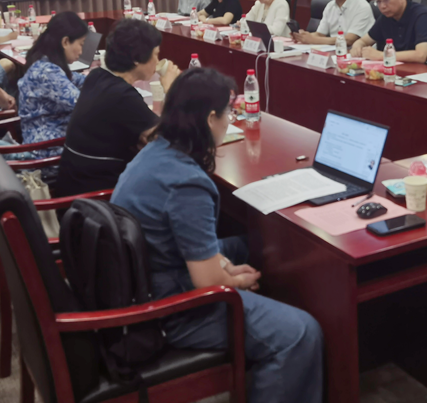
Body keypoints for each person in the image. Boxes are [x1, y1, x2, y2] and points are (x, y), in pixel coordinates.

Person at [111, 68, 323, 403]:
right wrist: (235, 279)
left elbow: (195, 245)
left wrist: (224, 265)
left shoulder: (154, 150)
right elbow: (207, 282)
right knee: (300, 332)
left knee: (253, 245)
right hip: (169, 309)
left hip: (146, 275)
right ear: (211, 119)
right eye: (228, 113)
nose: (229, 121)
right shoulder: (186, 183)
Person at [55, 19, 180, 196]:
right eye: (155, 55)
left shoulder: (97, 76)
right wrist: (171, 90)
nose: (157, 61)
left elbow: (144, 135)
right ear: (136, 58)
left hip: (74, 186)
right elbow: (170, 141)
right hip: (97, 199)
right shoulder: (123, 96)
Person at [17, 12, 89, 158]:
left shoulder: (46, 64)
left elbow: (80, 80)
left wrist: (104, 79)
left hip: (50, 145)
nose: (81, 51)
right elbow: (84, 106)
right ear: (65, 42)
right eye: (81, 44)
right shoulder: (47, 73)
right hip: (49, 153)